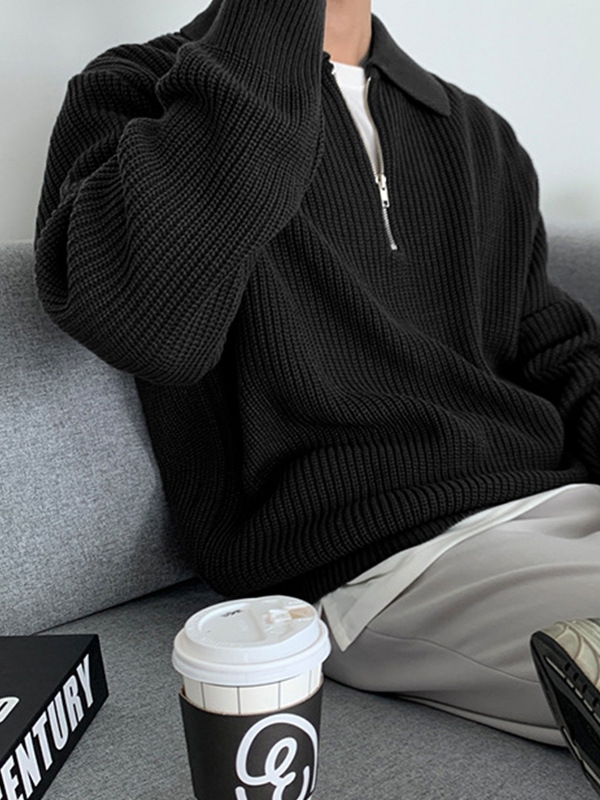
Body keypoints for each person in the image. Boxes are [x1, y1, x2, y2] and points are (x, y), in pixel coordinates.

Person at [34, 0, 600, 792]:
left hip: (559, 505)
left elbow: (557, 348)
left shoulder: (475, 131)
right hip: (383, 559)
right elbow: (142, 323)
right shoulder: (138, 90)